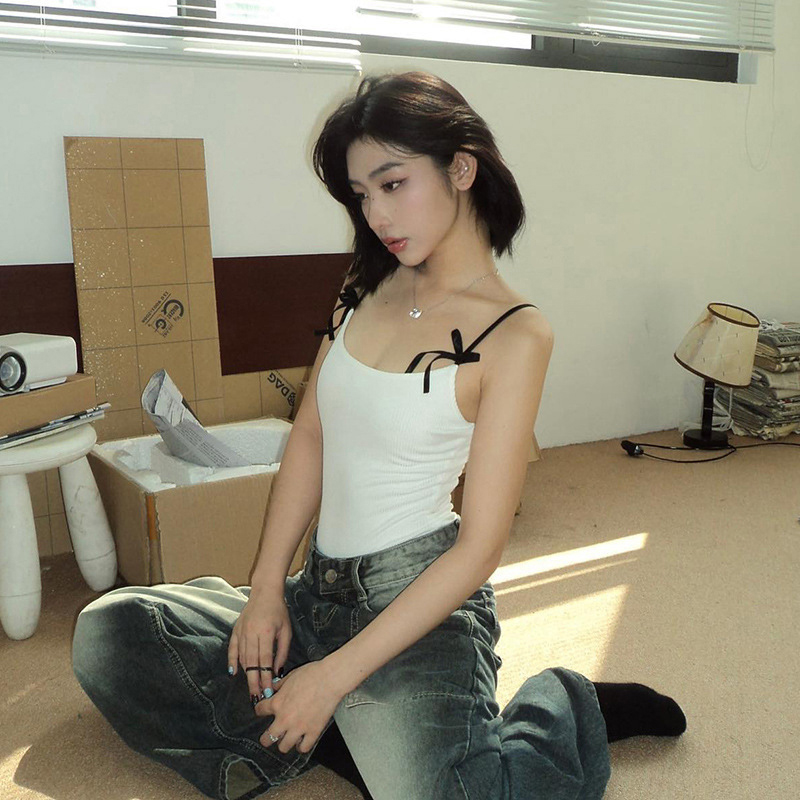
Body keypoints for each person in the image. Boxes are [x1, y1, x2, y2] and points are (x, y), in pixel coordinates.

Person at [72, 71, 686, 800]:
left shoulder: (516, 334)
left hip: (418, 603)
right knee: (109, 634)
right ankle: (332, 731)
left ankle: (568, 706)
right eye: (362, 194)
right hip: (316, 591)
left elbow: (480, 548)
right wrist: (265, 591)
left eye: (393, 184)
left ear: (461, 168)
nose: (377, 214)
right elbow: (310, 437)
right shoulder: (362, 287)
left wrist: (332, 676)